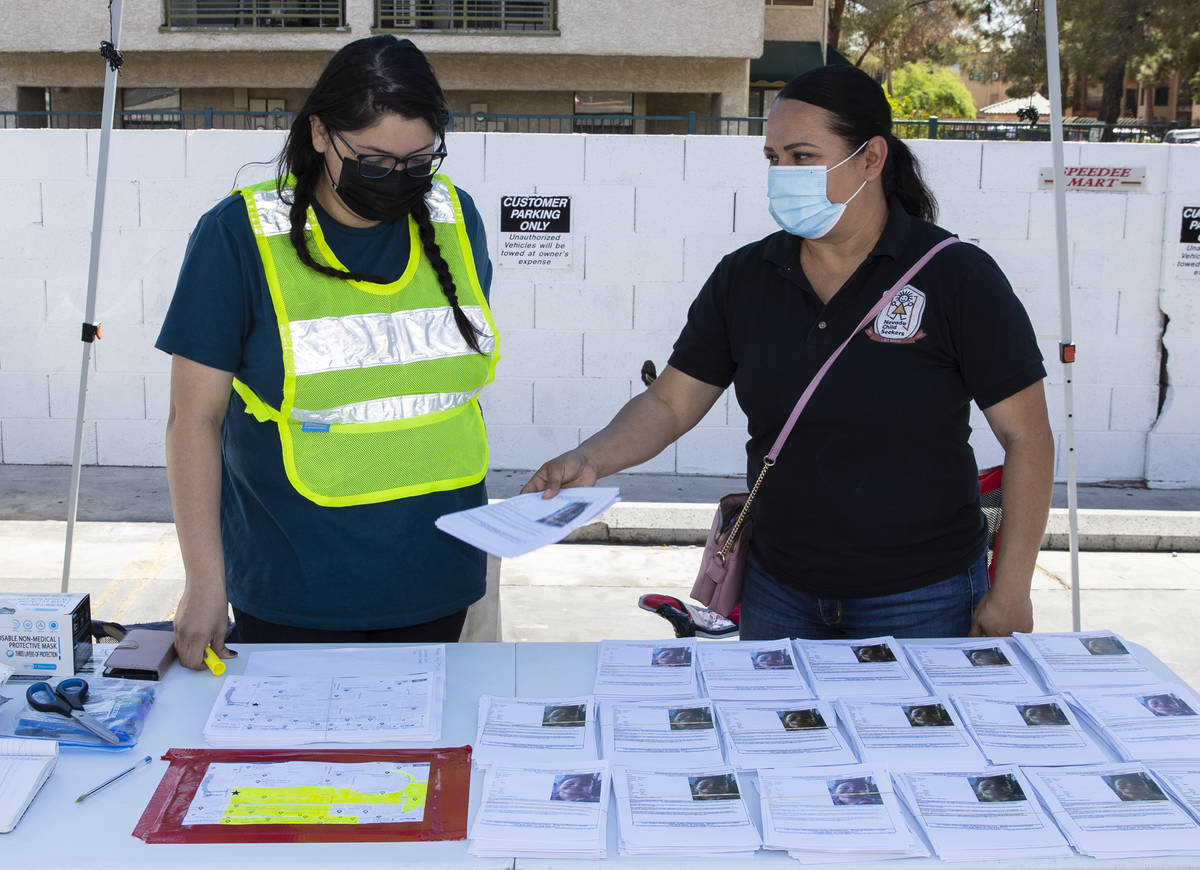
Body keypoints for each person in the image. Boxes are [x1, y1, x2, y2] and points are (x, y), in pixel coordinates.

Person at [522, 64, 1052, 641]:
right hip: (780, 591)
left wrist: (1011, 591)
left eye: (802, 156)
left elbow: (1027, 438)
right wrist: (591, 458)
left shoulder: (957, 277)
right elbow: (672, 403)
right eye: (773, 159)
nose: (782, 175)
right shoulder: (746, 276)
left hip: (923, 597)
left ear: (872, 160)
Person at [157, 36, 499, 668]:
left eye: (418, 161)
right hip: (295, 590)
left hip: (443, 577)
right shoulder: (237, 236)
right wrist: (204, 581)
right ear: (319, 133)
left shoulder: (456, 218)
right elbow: (192, 422)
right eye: (373, 161)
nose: (398, 179)